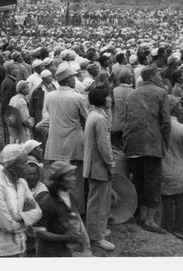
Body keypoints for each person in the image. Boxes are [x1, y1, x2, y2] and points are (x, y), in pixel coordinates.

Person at [123, 64, 171, 234]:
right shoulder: (161, 93)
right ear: (151, 77)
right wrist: (164, 143)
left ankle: (141, 216)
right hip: (150, 142)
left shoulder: (132, 94)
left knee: (138, 178)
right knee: (152, 181)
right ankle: (150, 221)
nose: (161, 78)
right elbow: (165, 121)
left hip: (132, 142)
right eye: (159, 75)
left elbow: (127, 117)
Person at [44, 62, 89, 215]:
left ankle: (58, 214)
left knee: (57, 182)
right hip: (73, 146)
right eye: (73, 77)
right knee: (74, 183)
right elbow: (86, 120)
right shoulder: (78, 97)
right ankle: (75, 215)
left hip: (55, 146)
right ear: (69, 79)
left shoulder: (49, 97)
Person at [0, 144, 42, 257]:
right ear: (11, 166)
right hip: (0, 252)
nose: (27, 166)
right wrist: (28, 219)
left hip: (20, 248)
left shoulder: (22, 184)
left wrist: (20, 217)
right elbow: (7, 226)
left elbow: (38, 212)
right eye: (23, 163)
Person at [33, 161, 90, 257]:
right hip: (49, 254)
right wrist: (66, 237)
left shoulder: (70, 197)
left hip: (64, 251)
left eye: (74, 175)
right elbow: (40, 233)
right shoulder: (48, 203)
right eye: (69, 176)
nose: (74, 179)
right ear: (59, 180)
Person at [83, 87, 115, 251]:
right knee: (99, 202)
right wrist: (111, 164)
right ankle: (96, 237)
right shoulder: (99, 119)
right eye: (108, 97)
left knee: (98, 201)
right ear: (102, 99)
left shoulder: (94, 115)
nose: (110, 99)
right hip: (99, 166)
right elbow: (104, 146)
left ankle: (98, 231)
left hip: (94, 165)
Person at [160, 95, 183, 237]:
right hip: (179, 168)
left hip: (164, 169)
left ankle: (167, 229)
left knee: (166, 201)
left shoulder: (159, 127)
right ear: (174, 110)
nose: (181, 109)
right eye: (178, 107)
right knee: (182, 201)